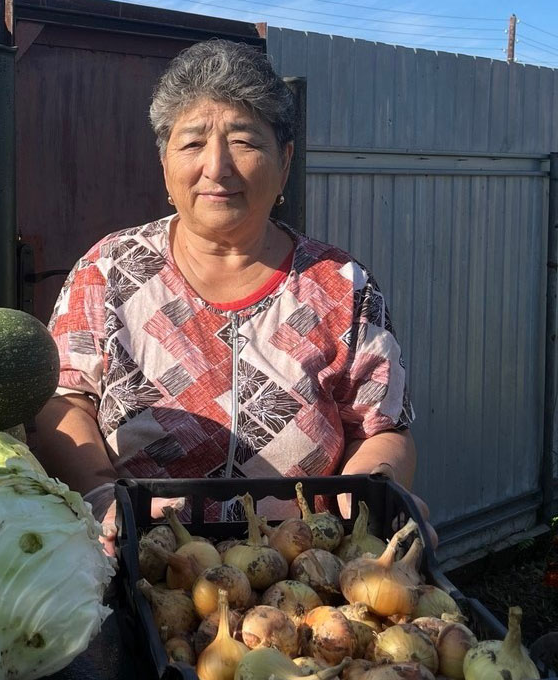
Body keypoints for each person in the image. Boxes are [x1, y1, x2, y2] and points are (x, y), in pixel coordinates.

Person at [31, 39, 435, 554]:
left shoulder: (343, 286)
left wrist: (375, 494)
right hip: (137, 559)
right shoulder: (108, 271)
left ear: (284, 162)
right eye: (193, 143)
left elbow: (383, 429)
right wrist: (98, 493)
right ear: (164, 165)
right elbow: (64, 400)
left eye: (244, 141)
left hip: (300, 572)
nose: (217, 166)